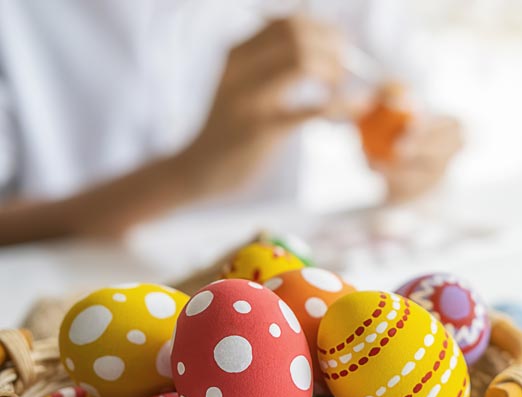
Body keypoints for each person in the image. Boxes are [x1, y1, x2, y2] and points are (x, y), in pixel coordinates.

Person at [0, 1, 462, 246]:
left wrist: (419, 156)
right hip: (61, 310)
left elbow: (412, 103)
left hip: (277, 290)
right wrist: (184, 176)